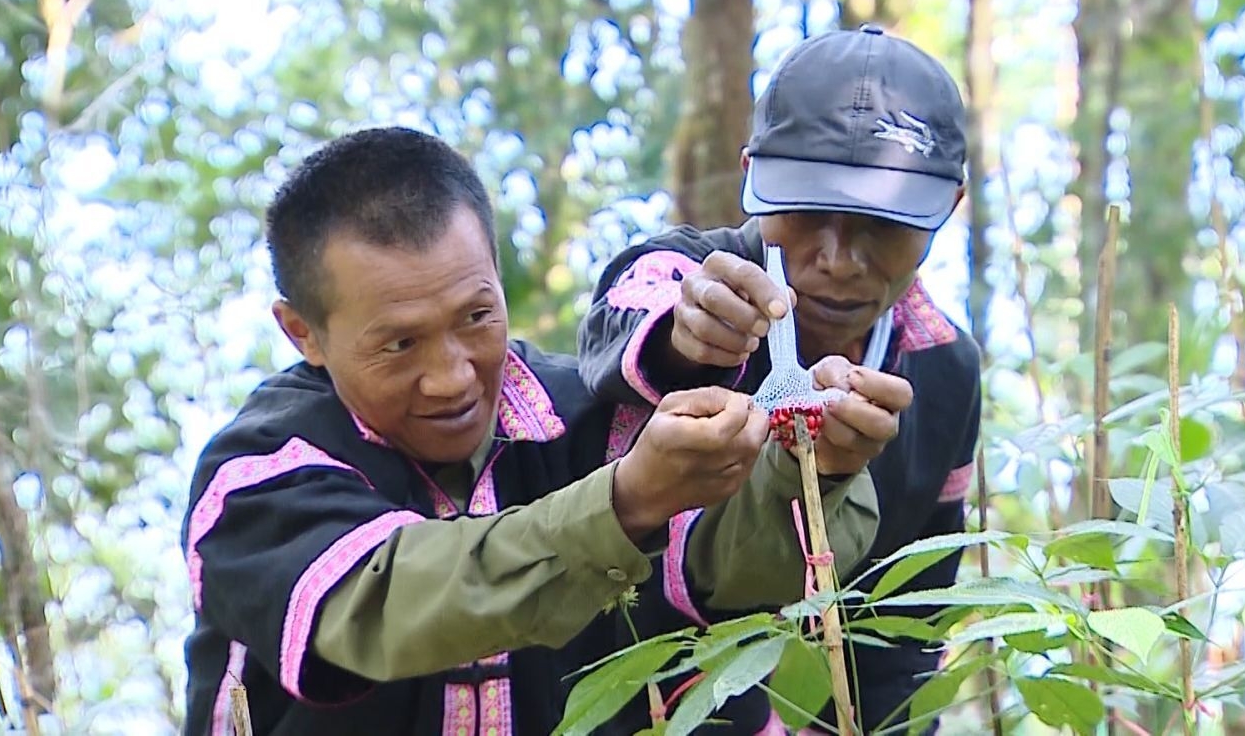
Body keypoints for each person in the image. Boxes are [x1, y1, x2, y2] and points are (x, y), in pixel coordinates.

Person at [180, 126, 895, 736]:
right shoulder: (259, 476)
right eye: (399, 345)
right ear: (302, 332)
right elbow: (382, 606)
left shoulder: (588, 416)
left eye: (476, 317)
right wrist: (623, 506)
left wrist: (811, 470)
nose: (453, 376)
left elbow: (727, 572)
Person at [578, 24, 984, 734]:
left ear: (948, 207)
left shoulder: (944, 370)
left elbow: (908, 627)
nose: (838, 258)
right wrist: (685, 338)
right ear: (752, 180)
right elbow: (624, 322)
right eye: (809, 212)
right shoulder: (686, 277)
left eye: (880, 223)